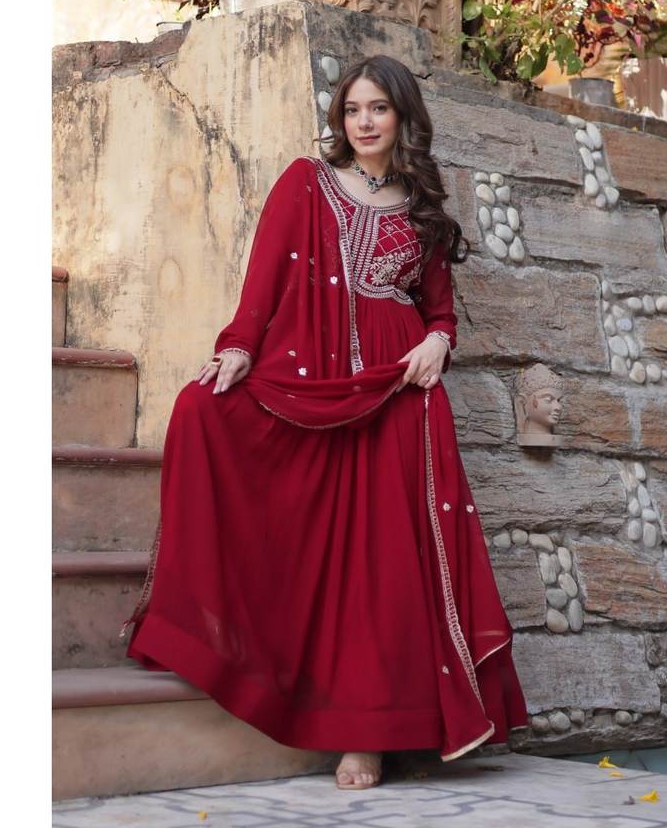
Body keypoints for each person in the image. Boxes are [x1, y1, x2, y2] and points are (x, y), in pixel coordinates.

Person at [120, 54, 529, 790]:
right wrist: (238, 348)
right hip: (313, 380)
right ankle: (210, 641)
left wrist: (438, 342)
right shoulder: (306, 182)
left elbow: (438, 310)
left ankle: (366, 738)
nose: (364, 122)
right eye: (352, 109)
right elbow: (263, 282)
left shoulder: (423, 205)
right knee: (201, 411)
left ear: (402, 117)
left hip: (397, 392)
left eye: (378, 109)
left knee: (381, 566)